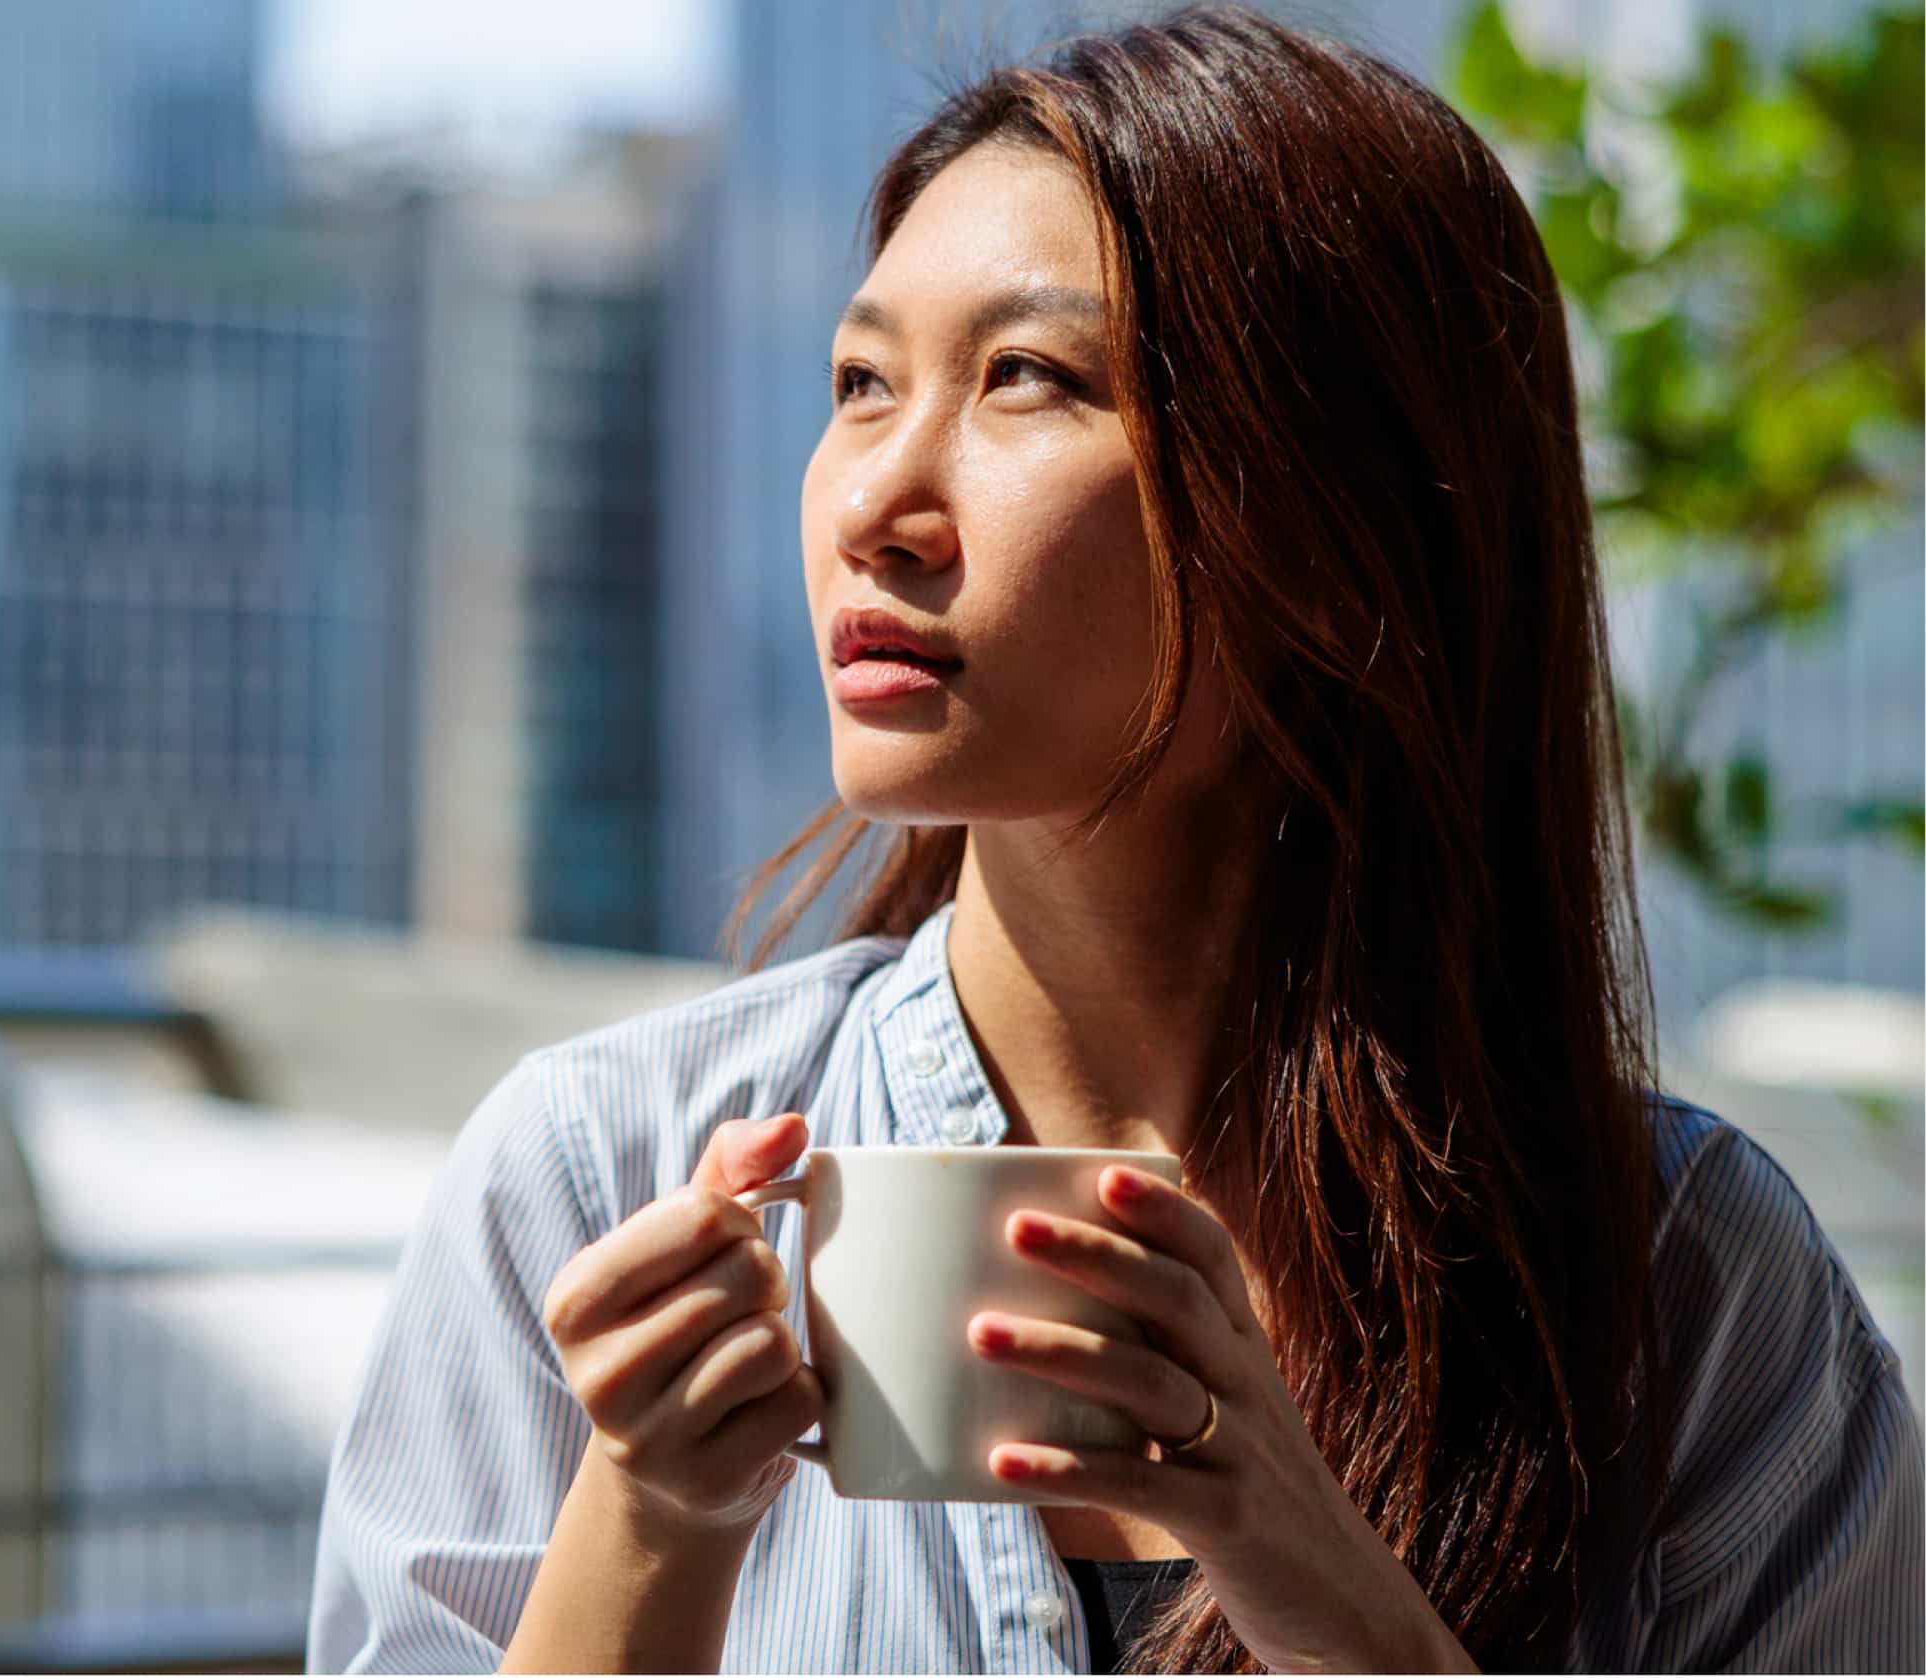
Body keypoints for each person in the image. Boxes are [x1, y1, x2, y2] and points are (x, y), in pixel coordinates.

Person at [307, 7, 1923, 1673]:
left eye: (1026, 379)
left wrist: (1302, 1562)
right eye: (859, 383)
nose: (875, 499)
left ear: (1338, 523)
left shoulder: (1683, 1286)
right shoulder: (598, 1178)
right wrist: (650, 1516)